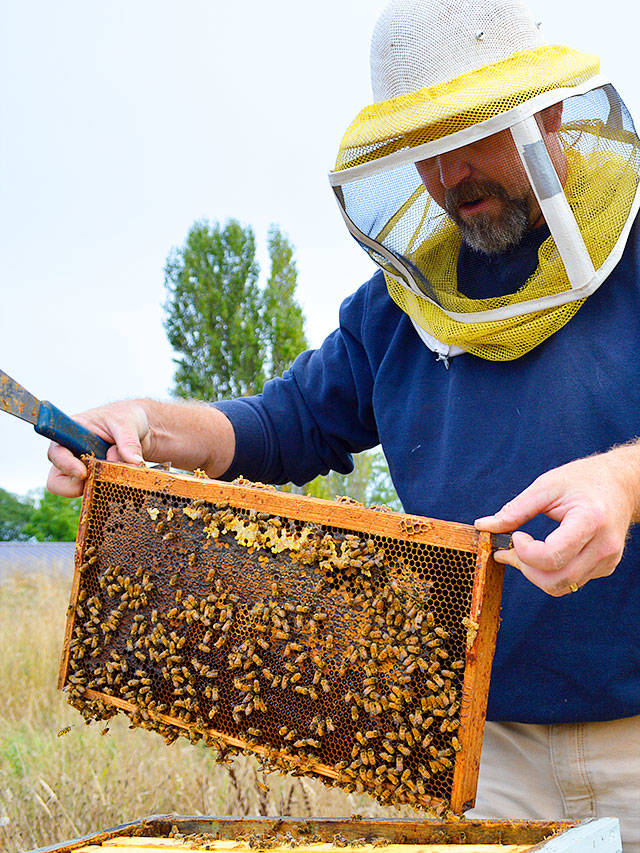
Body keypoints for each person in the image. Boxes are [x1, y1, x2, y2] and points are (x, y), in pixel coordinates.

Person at [48, 0, 640, 848]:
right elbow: (276, 426)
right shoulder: (396, 313)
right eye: (422, 150)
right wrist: (144, 422)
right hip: (486, 748)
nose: (447, 176)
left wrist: (623, 477)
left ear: (545, 111)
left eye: (470, 133)